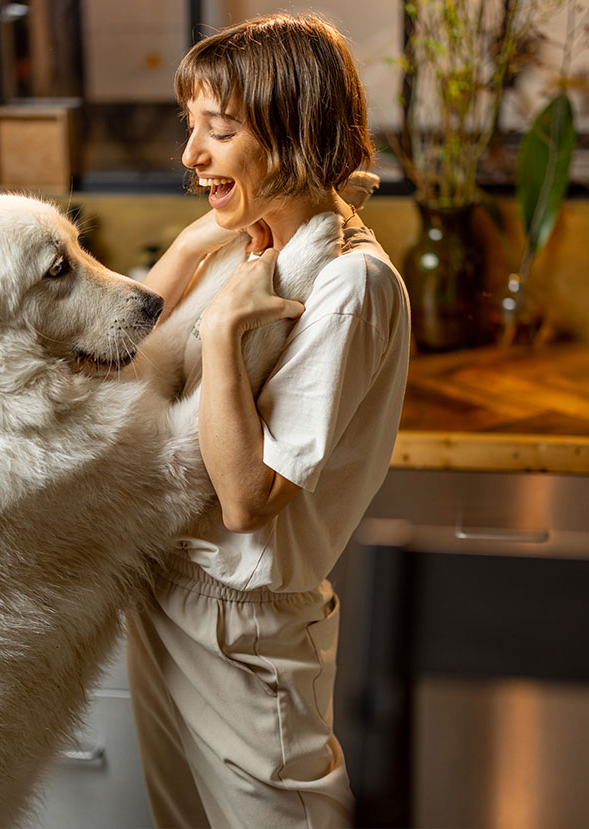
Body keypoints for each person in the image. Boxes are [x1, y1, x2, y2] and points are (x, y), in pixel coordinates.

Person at [125, 13, 411, 829]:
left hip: (241, 627)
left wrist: (220, 335)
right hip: (163, 590)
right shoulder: (244, 246)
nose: (190, 155)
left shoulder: (348, 284)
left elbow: (247, 498)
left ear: (291, 133)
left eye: (217, 131)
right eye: (192, 128)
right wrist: (186, 254)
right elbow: (121, 349)